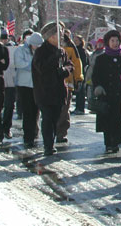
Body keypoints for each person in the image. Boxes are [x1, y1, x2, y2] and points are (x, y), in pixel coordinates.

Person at [32, 22, 73, 156]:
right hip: (45, 92)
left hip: (59, 91)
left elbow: (69, 65)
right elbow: (42, 68)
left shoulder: (62, 50)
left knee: (55, 118)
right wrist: (54, 57)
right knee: (48, 118)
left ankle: (52, 139)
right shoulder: (41, 51)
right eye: (57, 33)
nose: (60, 35)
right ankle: (48, 145)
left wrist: (65, 70)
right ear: (50, 37)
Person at [92, 30, 121, 153]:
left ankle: (118, 140)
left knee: (120, 119)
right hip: (107, 94)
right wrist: (98, 87)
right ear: (108, 42)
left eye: (117, 41)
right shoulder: (101, 58)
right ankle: (109, 143)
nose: (115, 43)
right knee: (108, 120)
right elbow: (95, 76)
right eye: (112, 41)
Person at [14, 32, 43, 148]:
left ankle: (34, 132)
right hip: (24, 85)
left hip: (36, 85)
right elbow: (19, 64)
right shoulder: (21, 50)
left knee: (36, 110)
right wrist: (33, 65)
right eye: (35, 45)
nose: (37, 47)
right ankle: (28, 136)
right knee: (27, 111)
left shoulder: (40, 51)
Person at [56, 31, 83, 143]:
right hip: (52, 84)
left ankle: (61, 133)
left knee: (64, 110)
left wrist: (78, 79)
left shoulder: (71, 49)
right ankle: (51, 131)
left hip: (67, 83)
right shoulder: (49, 47)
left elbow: (77, 63)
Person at [0, 30, 17, 141]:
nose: (4, 41)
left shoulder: (11, 49)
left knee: (9, 106)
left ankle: (6, 128)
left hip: (10, 82)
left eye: (5, 38)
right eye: (2, 38)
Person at [72, 34, 89, 115]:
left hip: (81, 72)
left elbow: (84, 62)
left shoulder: (81, 51)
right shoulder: (75, 50)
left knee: (80, 90)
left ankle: (80, 108)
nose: (75, 42)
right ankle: (78, 107)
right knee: (78, 90)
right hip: (76, 72)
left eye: (76, 41)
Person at [85, 38, 105, 105]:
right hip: (90, 75)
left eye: (101, 43)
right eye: (98, 43)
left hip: (97, 74)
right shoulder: (94, 52)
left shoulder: (103, 53)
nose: (99, 45)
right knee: (90, 91)